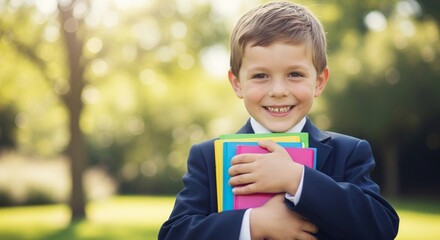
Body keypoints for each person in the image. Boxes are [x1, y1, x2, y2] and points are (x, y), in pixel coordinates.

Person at [158, 1, 399, 239]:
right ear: (237, 83)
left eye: (295, 74)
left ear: (319, 81)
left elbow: (381, 228)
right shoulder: (208, 156)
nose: (278, 90)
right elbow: (174, 234)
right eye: (260, 75)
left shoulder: (348, 153)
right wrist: (254, 224)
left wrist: (296, 178)